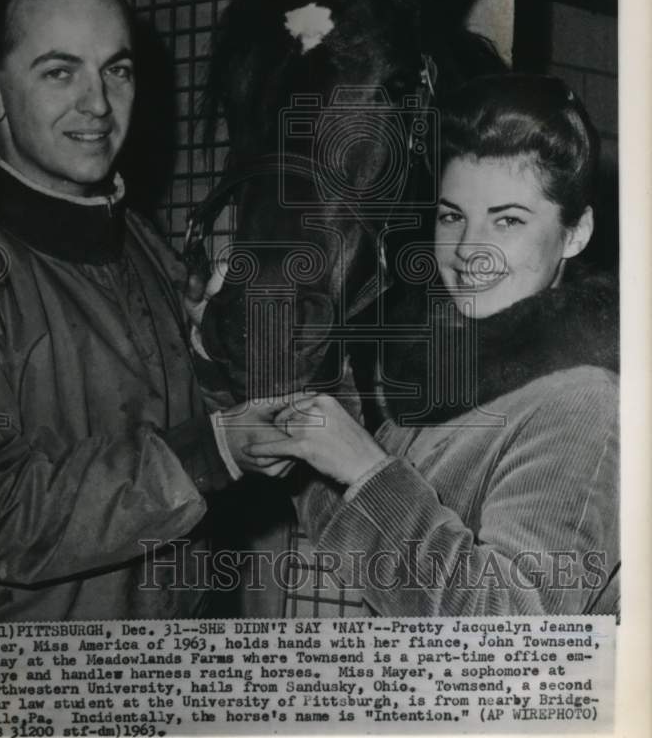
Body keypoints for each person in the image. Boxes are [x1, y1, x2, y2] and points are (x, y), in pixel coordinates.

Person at [0, 0, 283, 622]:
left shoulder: (141, 242)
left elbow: (198, 421)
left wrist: (229, 362)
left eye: (117, 69)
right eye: (59, 72)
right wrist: (206, 456)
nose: (98, 104)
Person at [245, 74, 619, 615]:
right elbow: (357, 550)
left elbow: (513, 637)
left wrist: (368, 470)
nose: (469, 249)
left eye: (507, 220)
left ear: (576, 233)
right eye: (452, 216)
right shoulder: (444, 368)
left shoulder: (584, 402)